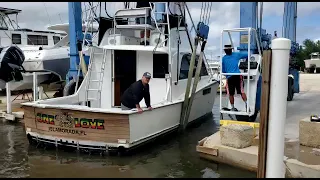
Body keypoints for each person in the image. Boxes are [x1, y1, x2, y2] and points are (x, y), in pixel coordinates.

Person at [222, 45, 248, 111]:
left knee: (231, 94)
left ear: (225, 51)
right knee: (241, 91)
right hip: (237, 76)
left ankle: (233, 107)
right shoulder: (236, 55)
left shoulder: (224, 58)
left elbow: (223, 70)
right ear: (231, 50)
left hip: (229, 76)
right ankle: (247, 105)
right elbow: (247, 54)